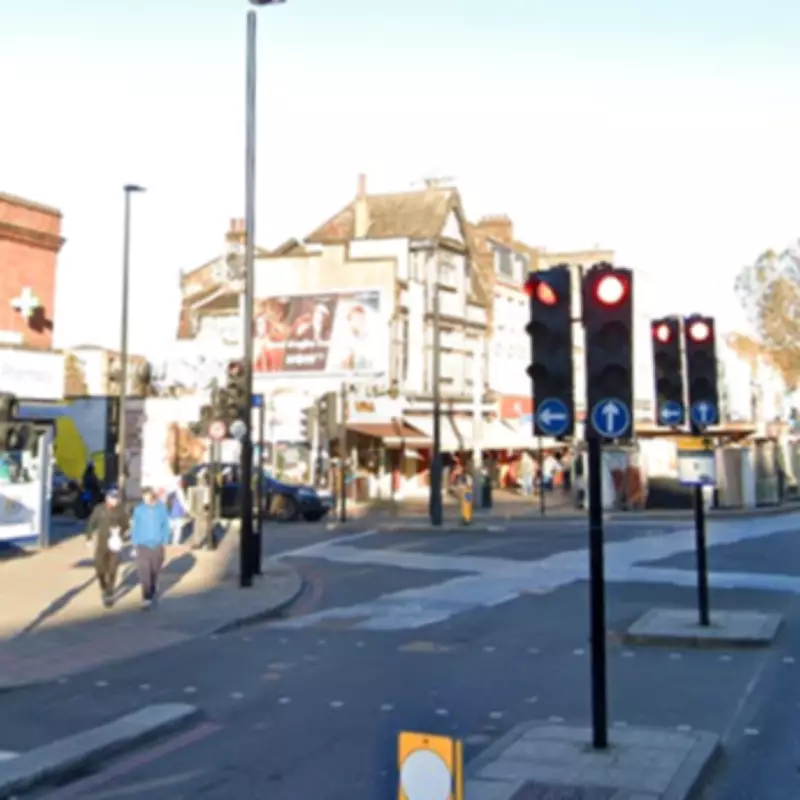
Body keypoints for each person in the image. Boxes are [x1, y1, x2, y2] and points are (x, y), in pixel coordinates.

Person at [85, 486, 129, 608]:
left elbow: (126, 525)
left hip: (115, 545)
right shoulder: (99, 509)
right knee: (99, 568)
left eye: (116, 498)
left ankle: (109, 593)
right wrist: (88, 538)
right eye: (112, 498)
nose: (115, 501)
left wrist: (120, 532)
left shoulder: (121, 511)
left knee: (112, 569)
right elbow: (91, 523)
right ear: (107, 498)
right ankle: (103, 585)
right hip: (101, 544)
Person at [130, 486, 171, 609]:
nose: (146, 499)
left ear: (152, 496)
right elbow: (135, 528)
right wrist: (135, 543)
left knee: (154, 570)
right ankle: (145, 596)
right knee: (144, 571)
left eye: (147, 497)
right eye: (144, 497)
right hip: (143, 545)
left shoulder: (161, 509)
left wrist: (165, 540)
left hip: (157, 545)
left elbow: (166, 526)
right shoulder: (139, 510)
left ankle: (153, 587)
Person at [165, 471, 191, 545]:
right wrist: (187, 509)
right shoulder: (178, 490)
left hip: (169, 510)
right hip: (177, 511)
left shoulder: (169, 490)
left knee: (170, 526)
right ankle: (175, 541)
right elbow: (182, 500)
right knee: (177, 527)